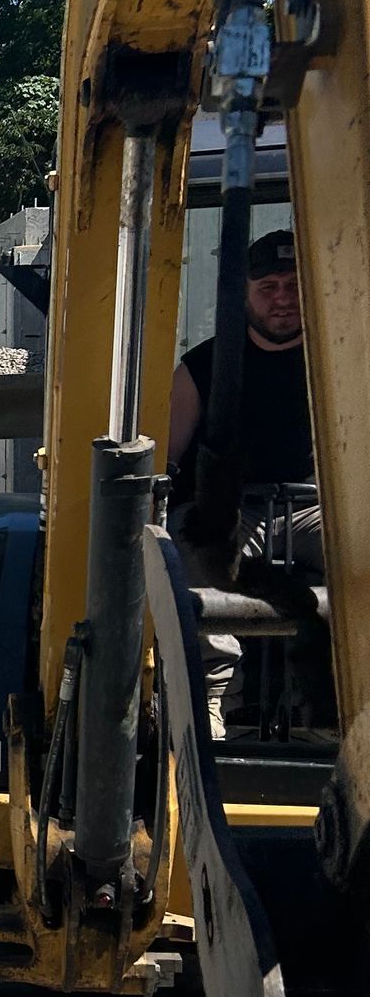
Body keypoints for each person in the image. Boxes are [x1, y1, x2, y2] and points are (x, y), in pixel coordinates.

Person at [167, 227, 322, 736]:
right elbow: (165, 457)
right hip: (231, 508)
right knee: (196, 547)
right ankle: (212, 697)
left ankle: (339, 698)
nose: (283, 300)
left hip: (313, 508)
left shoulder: (340, 361)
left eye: (294, 286)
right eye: (269, 287)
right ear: (246, 296)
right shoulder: (201, 368)